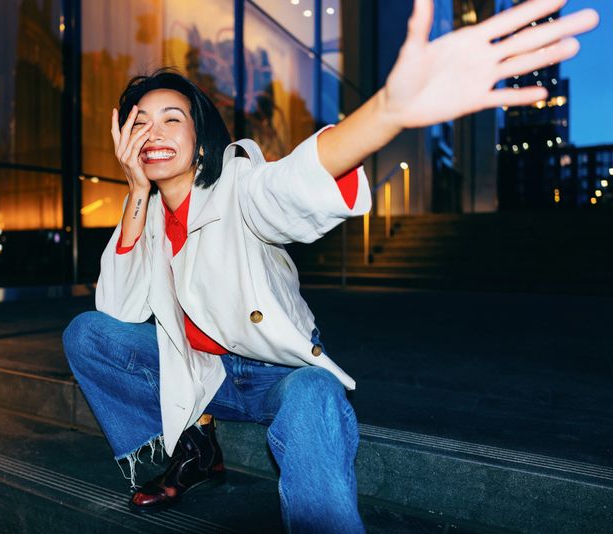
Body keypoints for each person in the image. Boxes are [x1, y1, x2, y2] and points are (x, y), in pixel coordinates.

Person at [62, 1, 598, 531]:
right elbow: (118, 310)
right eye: (140, 122)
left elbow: (291, 184)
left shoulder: (239, 183)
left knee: (314, 395)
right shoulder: (148, 212)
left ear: (200, 139)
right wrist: (135, 192)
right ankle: (194, 446)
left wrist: (386, 110)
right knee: (87, 335)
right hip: (205, 377)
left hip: (275, 372)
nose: (152, 132)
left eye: (170, 119)